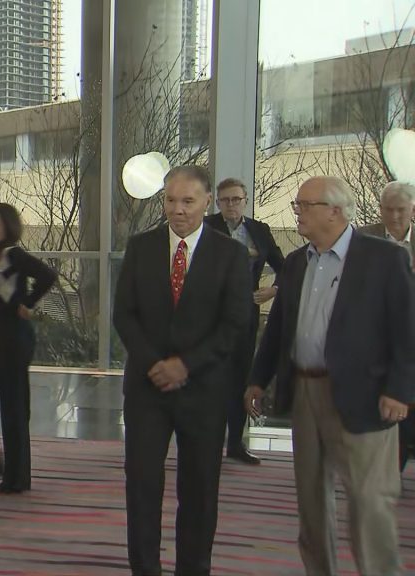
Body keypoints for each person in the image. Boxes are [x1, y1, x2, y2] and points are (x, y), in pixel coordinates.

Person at [246, 176, 415, 576]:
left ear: (336, 211)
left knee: (369, 503)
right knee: (311, 501)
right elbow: (279, 327)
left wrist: (399, 391)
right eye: (298, 205)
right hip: (306, 392)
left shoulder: (383, 259)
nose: (298, 213)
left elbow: (407, 330)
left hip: (366, 396)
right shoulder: (296, 262)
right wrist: (257, 378)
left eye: (306, 205)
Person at [114, 165, 251, 576]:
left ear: (207, 202)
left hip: (204, 390)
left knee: (199, 490)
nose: (178, 210)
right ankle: (144, 568)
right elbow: (124, 315)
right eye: (171, 200)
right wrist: (155, 364)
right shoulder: (141, 247)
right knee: (142, 485)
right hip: (147, 387)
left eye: (188, 201)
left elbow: (235, 323)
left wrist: (185, 365)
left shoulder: (231, 254)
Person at [0, 203, 57, 493]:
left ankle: (17, 478)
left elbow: (48, 275)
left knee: (14, 409)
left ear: (8, 227)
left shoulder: (14, 256)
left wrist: (28, 302)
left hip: (15, 339)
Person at [203, 177, 285, 465]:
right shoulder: (205, 227)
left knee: (240, 378)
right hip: (210, 316)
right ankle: (207, 444)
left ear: (245, 201)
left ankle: (235, 443)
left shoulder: (259, 230)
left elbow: (285, 267)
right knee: (210, 379)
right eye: (225, 200)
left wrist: (274, 289)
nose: (231, 205)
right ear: (217, 203)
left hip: (245, 314)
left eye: (236, 199)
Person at [358, 180, 415, 474]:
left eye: (401, 210)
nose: (394, 216)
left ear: (412, 210)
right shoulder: (362, 238)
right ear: (380, 209)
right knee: (378, 408)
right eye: (389, 209)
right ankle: (381, 472)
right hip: (375, 340)